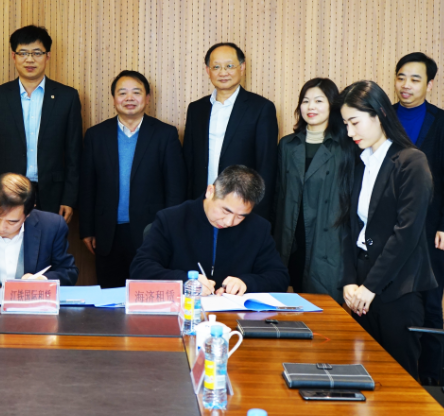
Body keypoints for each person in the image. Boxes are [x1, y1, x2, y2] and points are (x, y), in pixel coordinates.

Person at [337, 81, 437, 379]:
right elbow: (350, 226)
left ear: (379, 114)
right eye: (345, 124)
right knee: (363, 374)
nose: (349, 132)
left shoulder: (411, 161)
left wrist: (370, 287)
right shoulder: (361, 161)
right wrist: (349, 282)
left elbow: (406, 234)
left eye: (354, 122)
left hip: (398, 287)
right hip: (362, 283)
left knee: (399, 379)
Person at [393, 53, 444, 386]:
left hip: (429, 228)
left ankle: (432, 379)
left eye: (415, 79)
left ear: (430, 84)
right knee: (388, 301)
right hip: (388, 227)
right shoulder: (381, 116)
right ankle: (393, 373)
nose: (406, 85)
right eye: (401, 77)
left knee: (431, 303)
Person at [78, 71, 186, 288]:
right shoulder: (96, 135)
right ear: (113, 99)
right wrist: (87, 229)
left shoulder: (165, 134)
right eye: (122, 93)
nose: (129, 98)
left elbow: (175, 189)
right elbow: (87, 186)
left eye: (136, 92)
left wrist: (171, 231)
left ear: (147, 98)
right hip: (107, 232)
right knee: (110, 296)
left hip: (151, 231)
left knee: (148, 293)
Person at [0, 25, 82, 223]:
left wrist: (69, 198)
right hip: (5, 193)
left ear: (47, 56)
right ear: (14, 56)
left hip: (52, 195)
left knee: (48, 242)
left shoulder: (67, 97)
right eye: (23, 53)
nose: (30, 59)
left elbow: (73, 154)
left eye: (37, 53)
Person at [130, 165, 289, 295]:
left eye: (240, 216)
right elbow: (141, 267)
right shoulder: (171, 219)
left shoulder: (258, 228)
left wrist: (247, 283)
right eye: (226, 211)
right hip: (182, 312)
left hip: (233, 316)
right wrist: (185, 281)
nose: (229, 222)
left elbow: (279, 277)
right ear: (210, 191)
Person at [183, 43, 278, 220]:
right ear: (208, 70)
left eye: (229, 66)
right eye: (216, 67)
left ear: (242, 67)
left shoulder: (261, 108)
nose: (223, 72)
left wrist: (258, 213)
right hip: (202, 204)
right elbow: (189, 161)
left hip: (241, 208)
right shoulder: (196, 109)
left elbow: (267, 165)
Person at [273, 78, 347, 304]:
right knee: (289, 302)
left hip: (327, 238)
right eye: (305, 101)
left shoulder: (345, 146)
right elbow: (278, 194)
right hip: (291, 236)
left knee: (323, 305)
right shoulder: (287, 145)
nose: (311, 107)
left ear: (333, 105)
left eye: (318, 101)